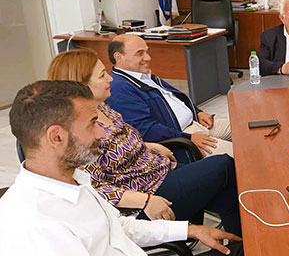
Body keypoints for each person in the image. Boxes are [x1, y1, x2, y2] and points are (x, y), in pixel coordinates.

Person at [0, 80, 246, 256]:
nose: (101, 134)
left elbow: (118, 226)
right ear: (56, 137)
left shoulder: (73, 180)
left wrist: (189, 230)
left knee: (253, 250)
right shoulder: (33, 224)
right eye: (92, 124)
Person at [47, 49, 241, 236]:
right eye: (102, 75)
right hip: (147, 195)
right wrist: (145, 201)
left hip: (158, 172)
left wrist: (149, 146)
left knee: (226, 191)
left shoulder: (102, 108)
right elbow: (91, 188)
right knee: (223, 164)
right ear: (80, 84)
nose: (110, 79)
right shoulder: (78, 130)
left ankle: (240, 246)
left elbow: (116, 144)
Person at [105, 34, 233, 158]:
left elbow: (175, 98)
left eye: (147, 52)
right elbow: (145, 129)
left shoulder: (143, 77)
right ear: (119, 57)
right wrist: (188, 138)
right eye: (140, 53)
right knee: (238, 154)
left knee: (243, 126)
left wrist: (198, 112)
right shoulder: (119, 88)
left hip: (197, 123)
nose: (148, 58)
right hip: (182, 138)